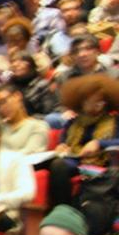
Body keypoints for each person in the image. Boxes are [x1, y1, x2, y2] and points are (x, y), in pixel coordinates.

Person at [49, 74, 119, 206]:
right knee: (57, 165)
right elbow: (63, 141)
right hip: (75, 161)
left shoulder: (114, 121)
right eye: (93, 101)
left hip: (102, 164)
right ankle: (63, 208)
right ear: (81, 102)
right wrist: (61, 146)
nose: (98, 106)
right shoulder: (72, 123)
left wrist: (99, 143)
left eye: (101, 102)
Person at [0, 84, 49, 155]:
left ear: (17, 96)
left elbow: (31, 154)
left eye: (4, 101)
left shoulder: (38, 126)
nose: (2, 108)